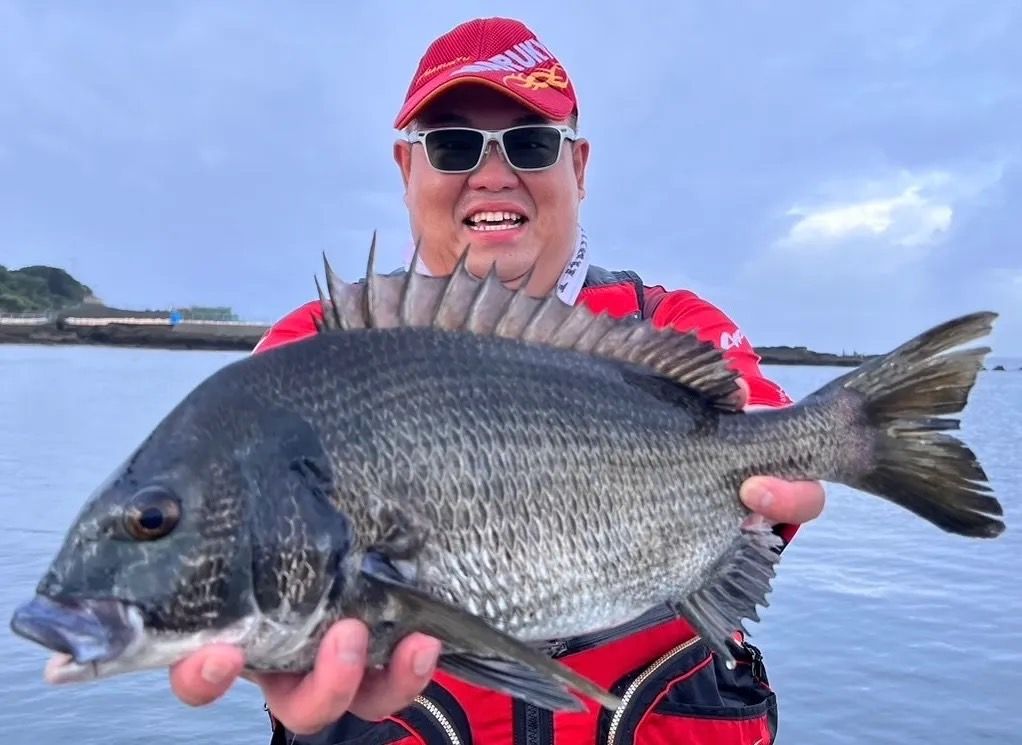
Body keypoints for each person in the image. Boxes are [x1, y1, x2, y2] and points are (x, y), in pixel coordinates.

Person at [169, 17, 826, 744]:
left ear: (577, 167)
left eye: (531, 143)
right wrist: (271, 641)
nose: (491, 173)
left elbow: (770, 435)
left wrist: (807, 456)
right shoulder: (320, 348)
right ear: (404, 167)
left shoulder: (669, 326)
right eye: (452, 145)